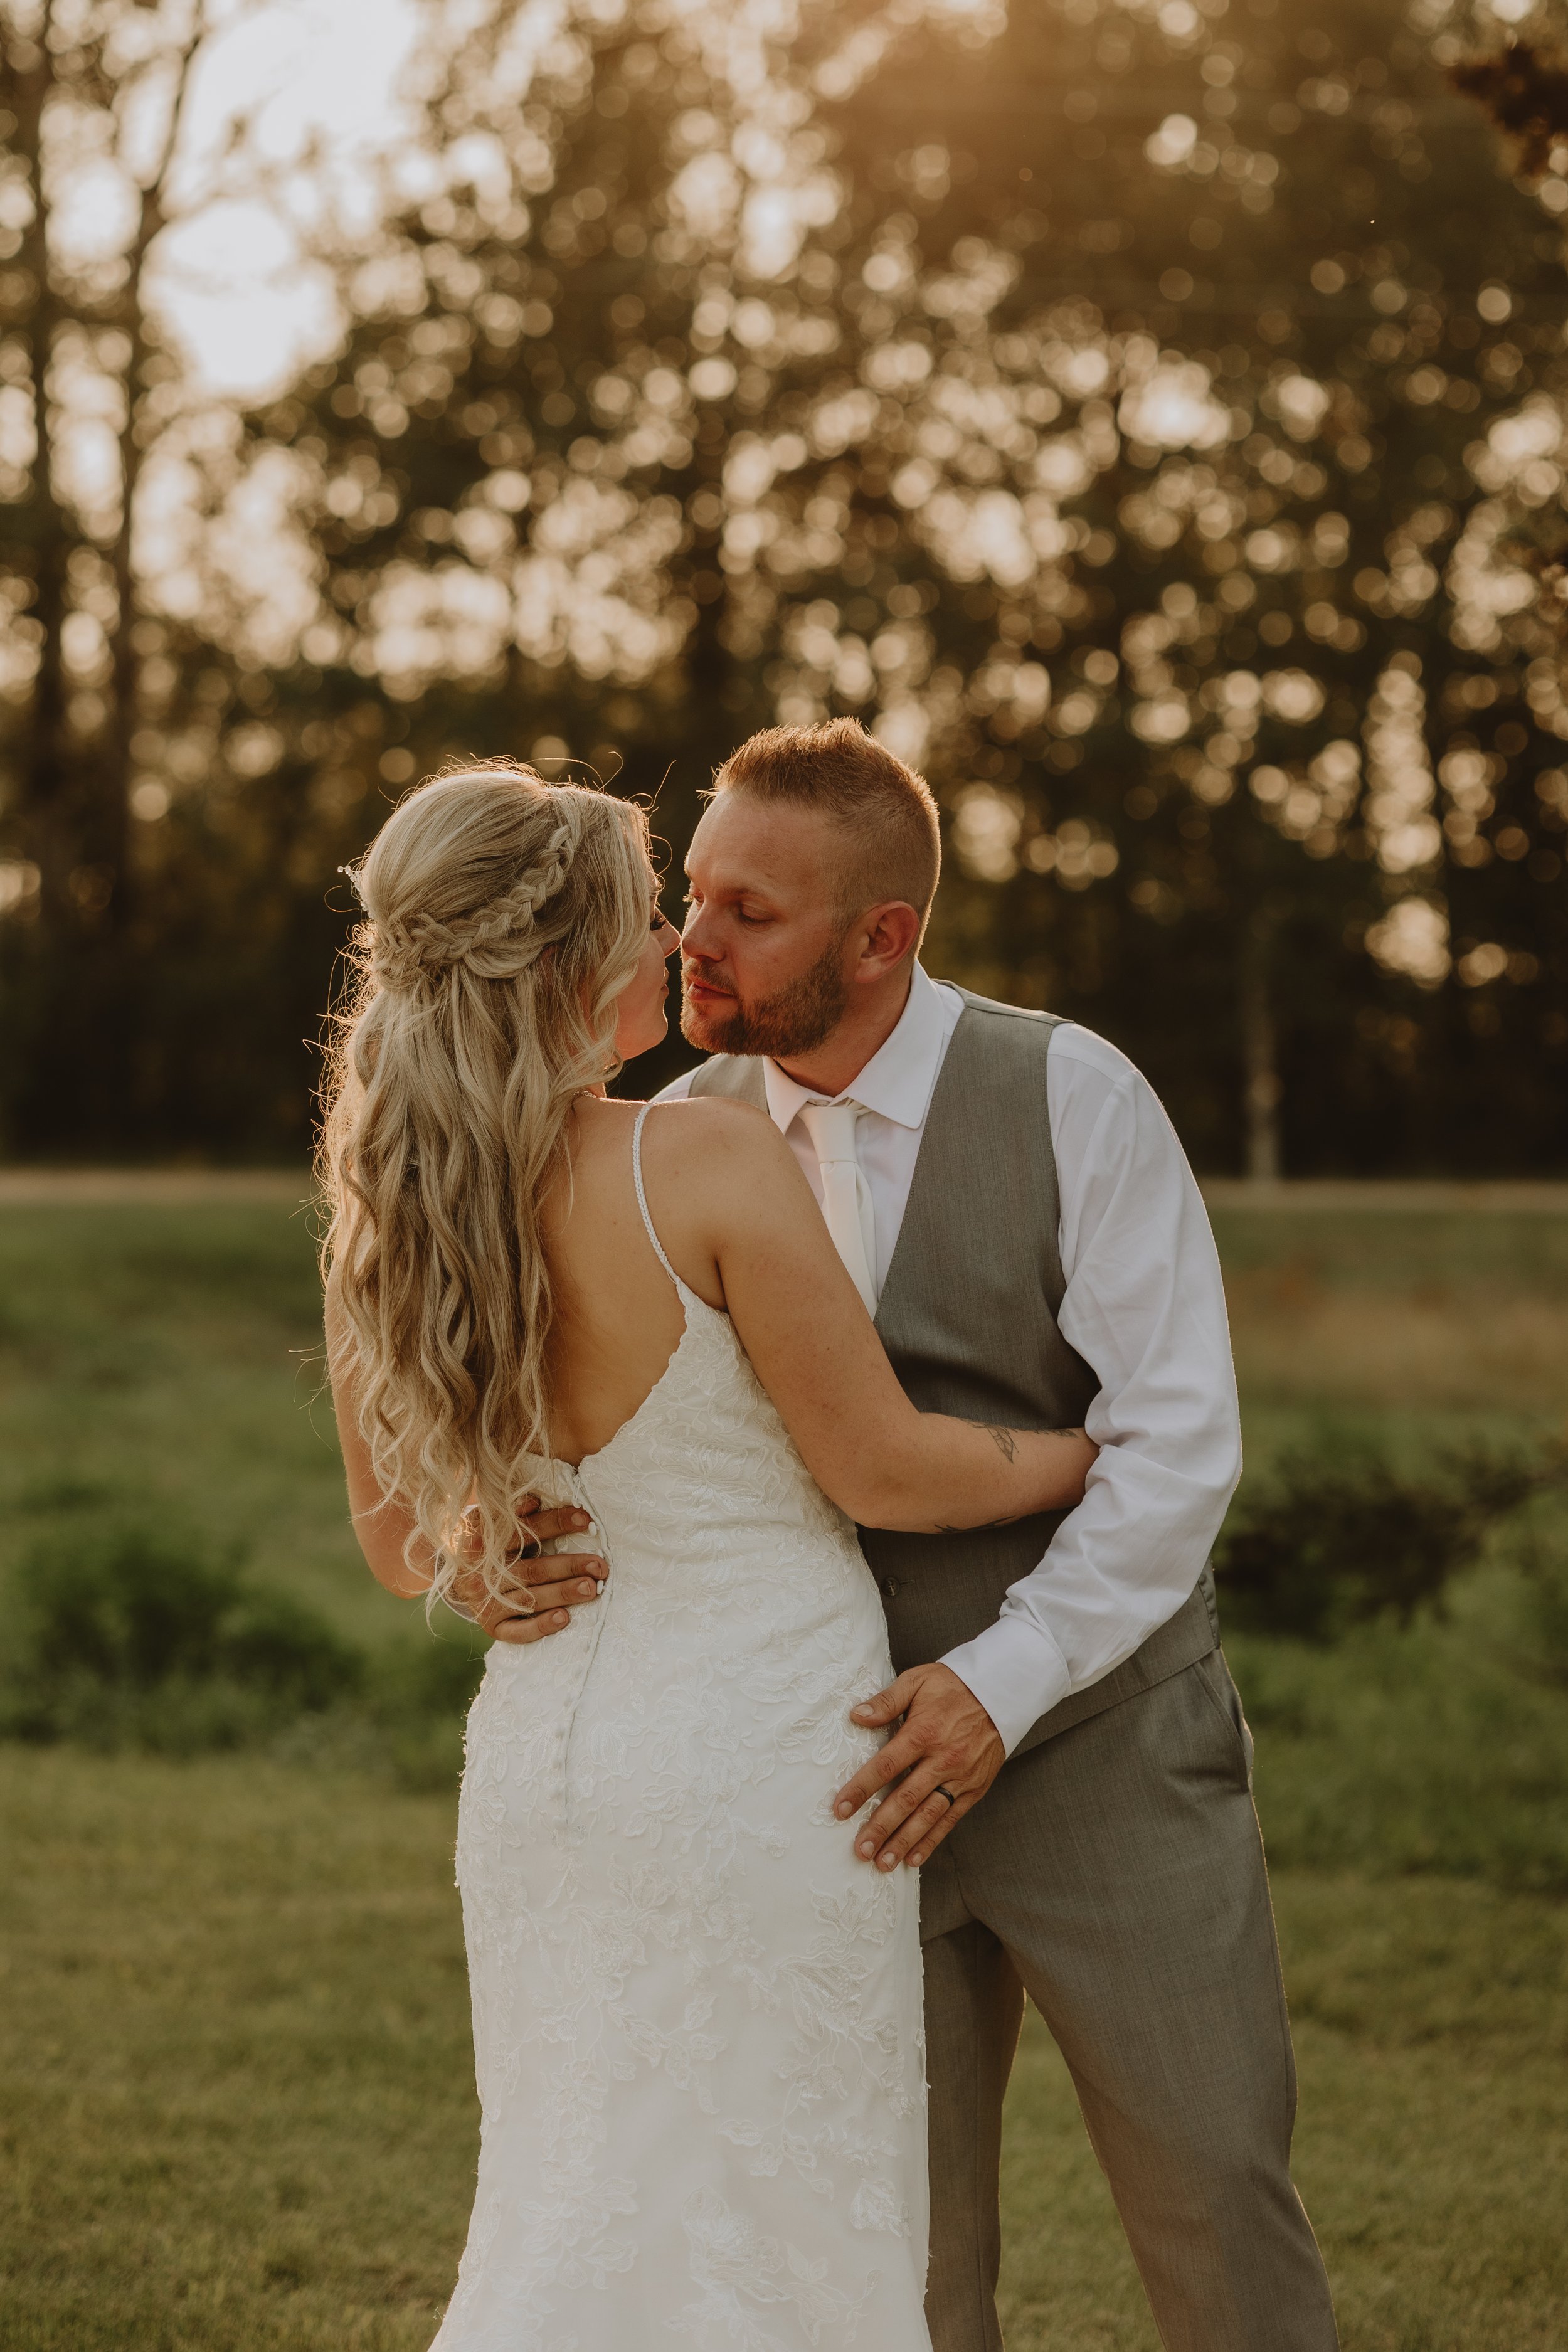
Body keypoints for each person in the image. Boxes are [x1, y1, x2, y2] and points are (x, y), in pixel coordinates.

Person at [317, 761, 1098, 2352]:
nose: (675, 930)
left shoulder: (383, 1198)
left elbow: (404, 1550)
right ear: (574, 962)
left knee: (570, 2202)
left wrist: (488, 1561)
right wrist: (1102, 1451)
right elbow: (884, 1468)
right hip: (752, 1764)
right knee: (781, 2226)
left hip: (547, 1776)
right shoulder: (697, 1162)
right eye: (646, 906)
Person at [636, 717, 1338, 2352]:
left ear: (882, 936)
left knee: (1214, 2200)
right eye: (694, 892)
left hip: (1101, 1743)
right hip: (835, 1769)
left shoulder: (1070, 1094)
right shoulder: (684, 1128)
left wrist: (999, 1679)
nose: (695, 936)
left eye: (751, 909)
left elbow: (1173, 1452)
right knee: (885, 2255)